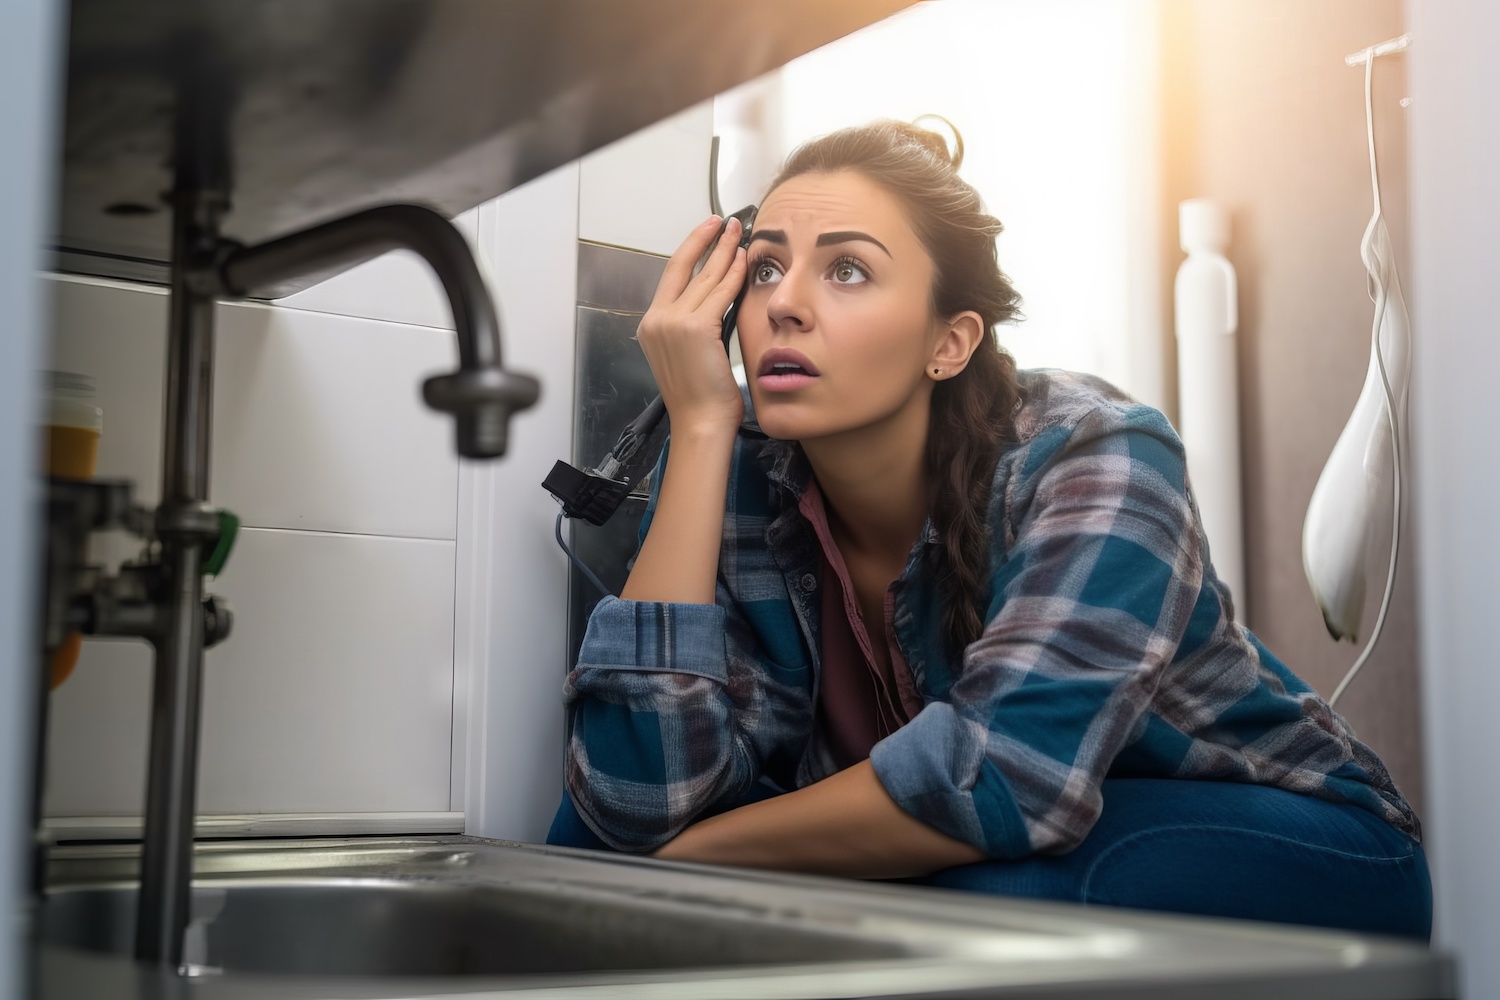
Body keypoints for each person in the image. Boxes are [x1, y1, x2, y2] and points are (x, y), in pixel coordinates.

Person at [547, 119, 1431, 939]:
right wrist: (698, 430)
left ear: (950, 341)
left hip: (1298, 842)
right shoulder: (732, 461)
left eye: (847, 269)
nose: (785, 304)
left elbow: (1010, 778)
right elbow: (635, 800)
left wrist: (687, 866)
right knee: (581, 839)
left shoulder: (1097, 454)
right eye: (767, 269)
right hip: (991, 829)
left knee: (980, 898)